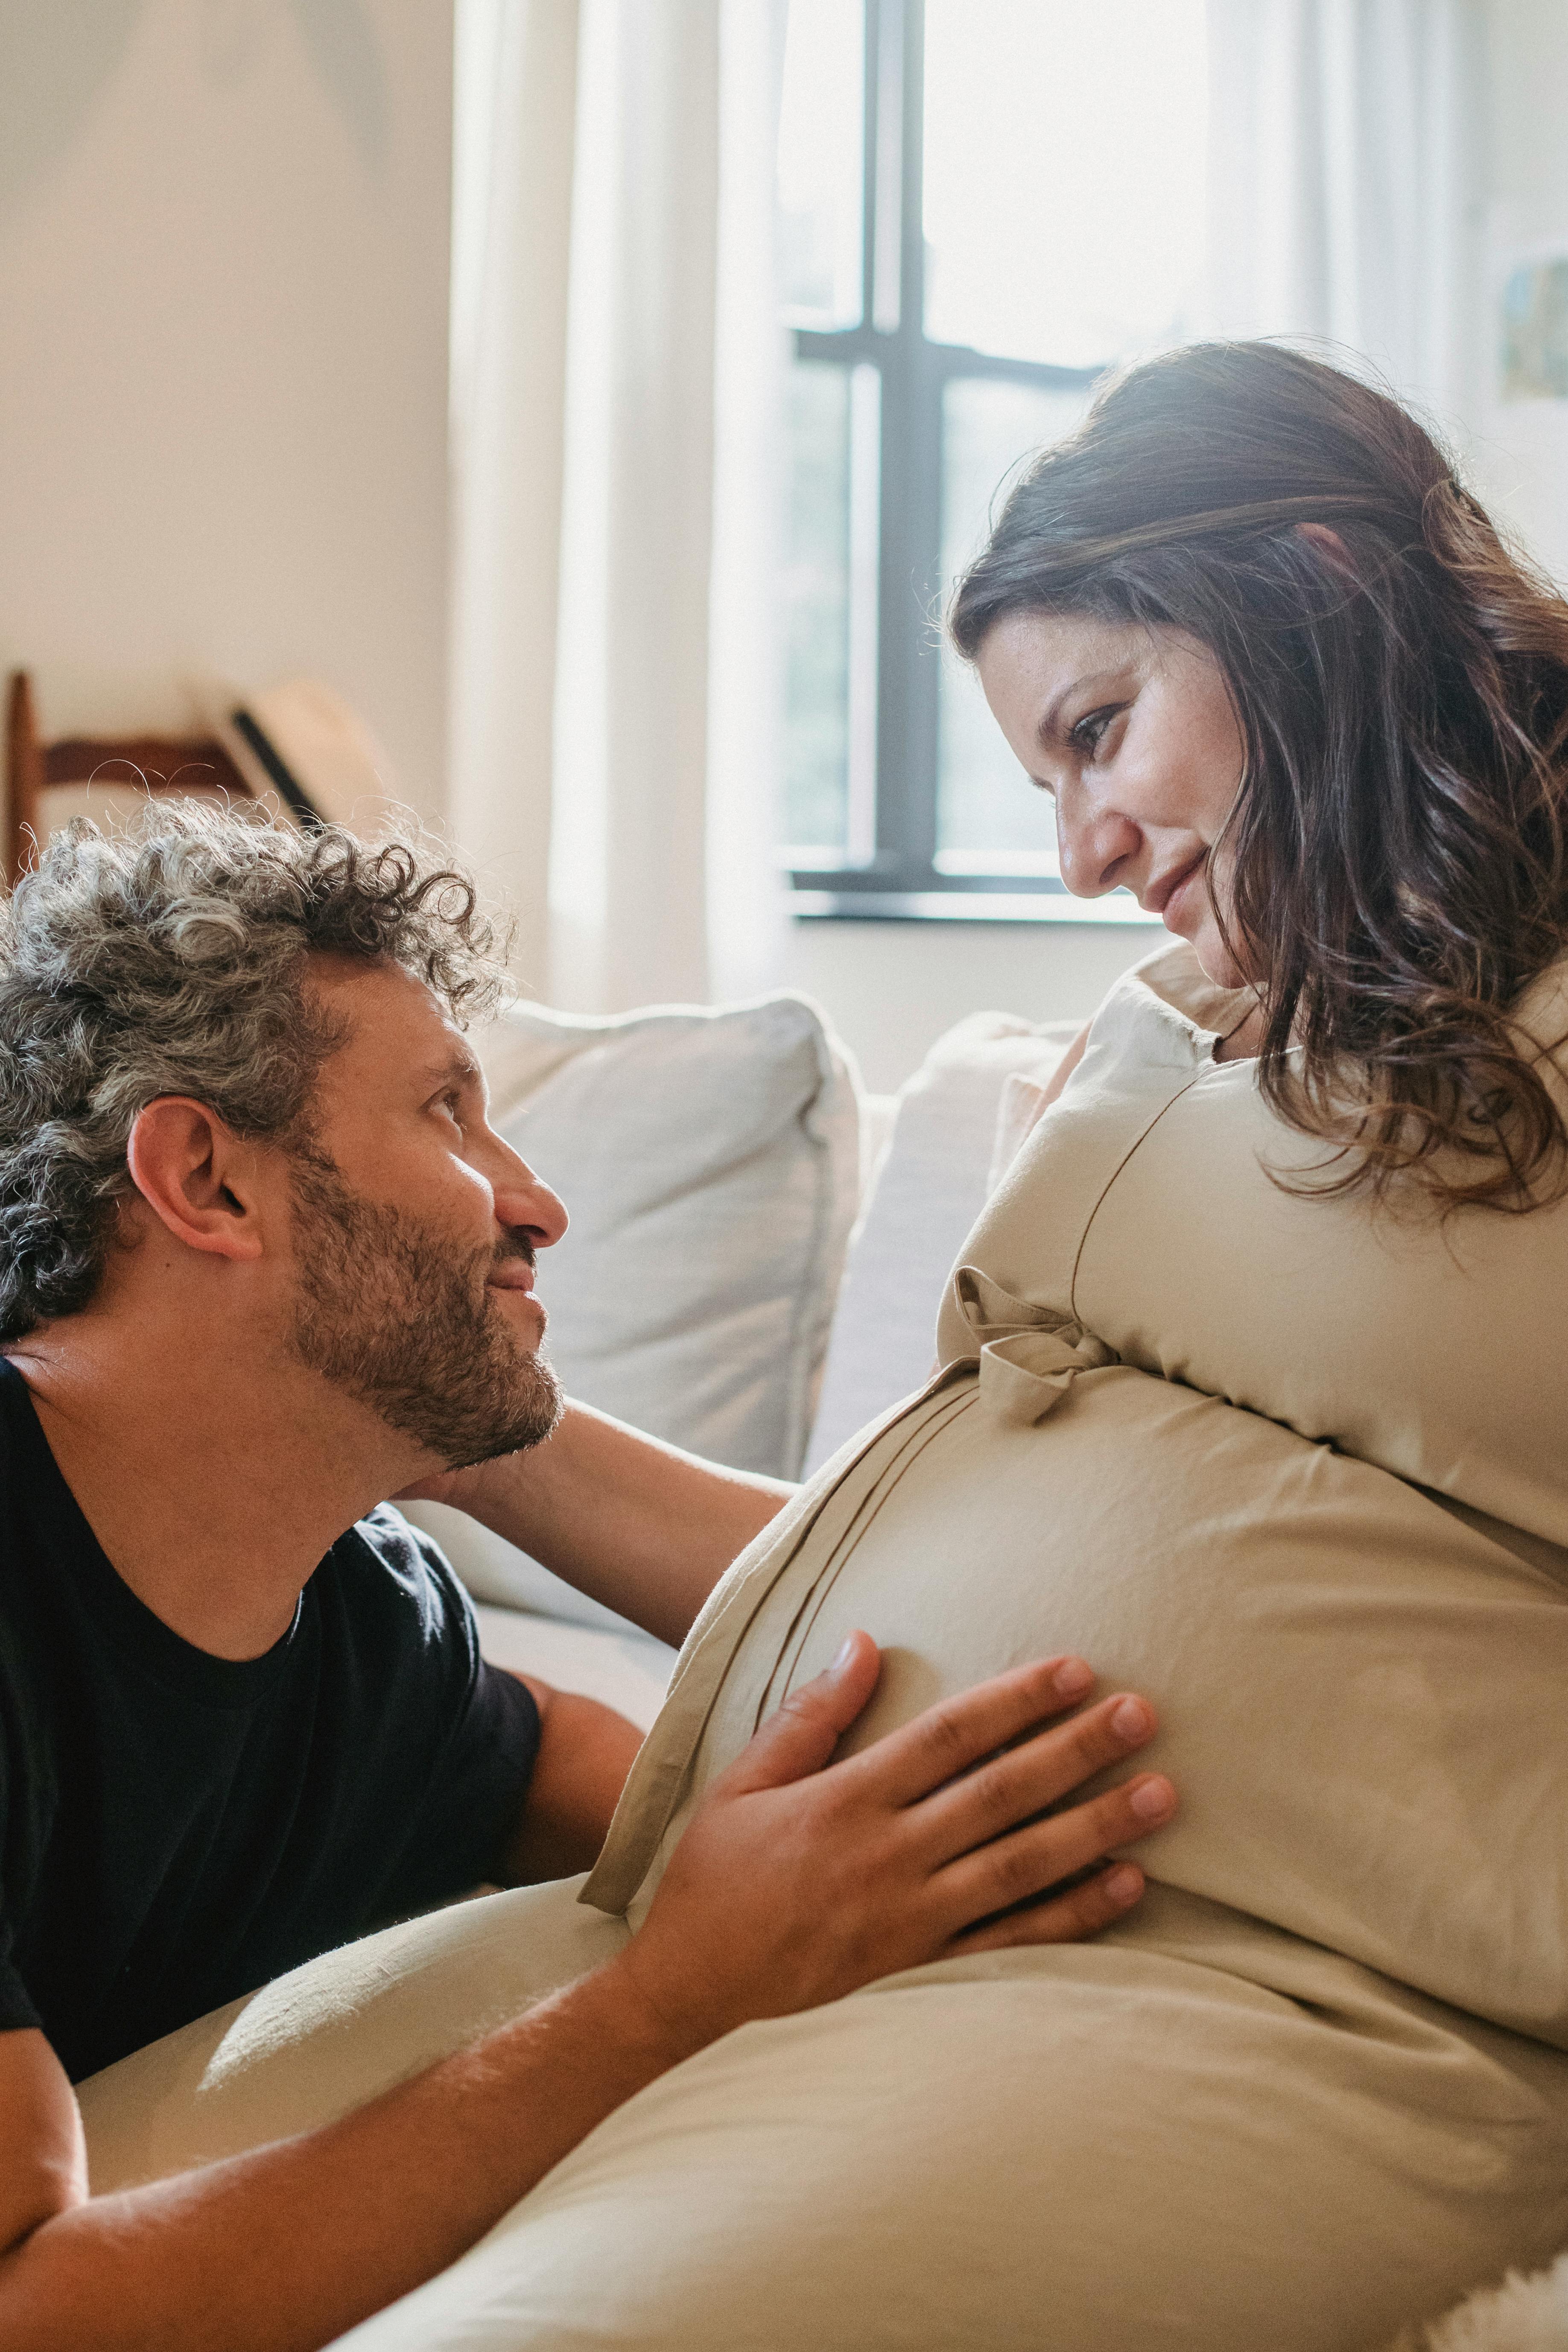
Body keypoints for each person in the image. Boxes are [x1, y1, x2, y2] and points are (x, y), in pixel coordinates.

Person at [258, 341, 1565, 2349]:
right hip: (794, 1899)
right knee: (147, 2165)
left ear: (1305, 588)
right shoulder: (1251, 1050)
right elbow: (865, 1578)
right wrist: (427, 1404)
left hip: (1226, 1975)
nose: (1083, 853)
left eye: (1099, 731)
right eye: (1047, 781)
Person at [0, 809, 1177, 2352]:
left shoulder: (374, 1633)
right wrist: (659, 2007)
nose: (537, 1202)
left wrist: (455, 1408)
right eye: (447, 1116)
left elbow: (867, 1726)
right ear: (205, 1180)